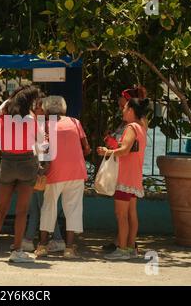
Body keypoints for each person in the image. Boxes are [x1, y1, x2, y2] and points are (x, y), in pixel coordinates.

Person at [0, 85, 40, 263]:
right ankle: (17, 250)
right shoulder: (30, 118)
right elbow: (38, 140)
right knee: (22, 210)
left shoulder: (2, 116)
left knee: (1, 207)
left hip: (6, 162)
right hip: (27, 162)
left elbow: (1, 111)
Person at [34, 96, 91, 259]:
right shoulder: (75, 122)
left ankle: (43, 246)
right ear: (63, 108)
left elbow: (42, 150)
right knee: (73, 208)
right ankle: (69, 248)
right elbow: (86, 148)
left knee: (48, 207)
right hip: (76, 171)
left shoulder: (45, 125)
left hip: (54, 172)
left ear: (45, 109)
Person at [97, 97, 149, 260]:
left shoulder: (131, 127)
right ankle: (131, 247)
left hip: (125, 177)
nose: (122, 110)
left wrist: (107, 151)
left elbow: (125, 150)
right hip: (134, 176)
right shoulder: (141, 127)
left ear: (131, 111)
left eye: (125, 108)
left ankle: (123, 248)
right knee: (131, 214)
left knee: (121, 215)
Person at [22, 93, 65, 253]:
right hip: (38, 169)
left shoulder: (45, 125)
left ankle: (57, 239)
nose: (39, 110)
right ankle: (28, 239)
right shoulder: (39, 124)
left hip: (41, 171)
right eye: (37, 108)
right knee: (36, 207)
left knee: (43, 206)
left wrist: (42, 170)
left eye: (41, 108)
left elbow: (46, 149)